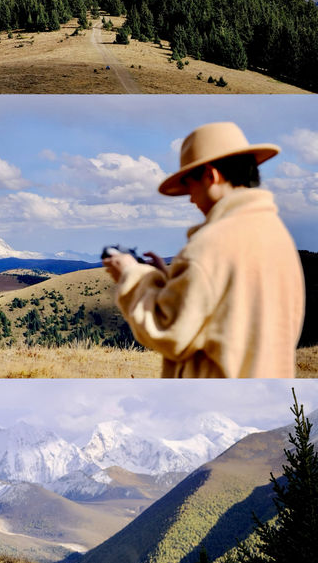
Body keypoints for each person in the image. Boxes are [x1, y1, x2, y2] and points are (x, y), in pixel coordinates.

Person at [102, 121, 305, 378]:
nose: (190, 197)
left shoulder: (211, 245)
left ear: (211, 176)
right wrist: (169, 279)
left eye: (189, 185)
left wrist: (132, 275)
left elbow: (169, 331)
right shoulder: (276, 234)